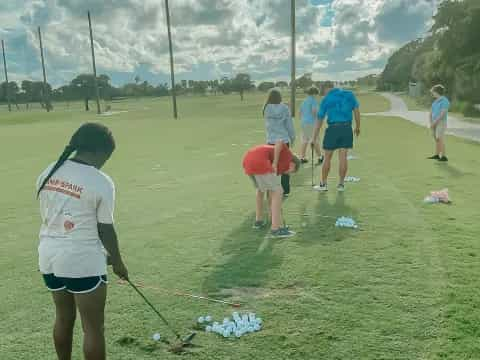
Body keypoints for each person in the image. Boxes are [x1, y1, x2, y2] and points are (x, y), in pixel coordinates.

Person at [36, 122, 129, 360]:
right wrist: (117, 261)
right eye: (107, 157)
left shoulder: (49, 170)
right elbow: (105, 229)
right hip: (82, 261)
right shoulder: (101, 181)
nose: (105, 162)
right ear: (99, 151)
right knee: (93, 328)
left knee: (64, 318)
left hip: (49, 257)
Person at [242, 141, 300, 238]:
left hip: (248, 161)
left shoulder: (281, 163)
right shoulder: (287, 155)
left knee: (261, 190)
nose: (288, 172)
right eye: (291, 171)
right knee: (278, 192)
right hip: (260, 161)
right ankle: (276, 230)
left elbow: (270, 194)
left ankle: (259, 221)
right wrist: (275, 162)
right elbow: (280, 142)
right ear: (292, 164)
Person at [311, 82, 361, 192]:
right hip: (347, 128)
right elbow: (356, 111)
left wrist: (314, 137)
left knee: (327, 157)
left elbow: (319, 119)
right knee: (343, 157)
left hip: (333, 129)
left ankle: (323, 184)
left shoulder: (326, 99)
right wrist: (357, 127)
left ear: (325, 89)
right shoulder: (349, 94)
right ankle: (341, 185)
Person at [263, 88, 296, 197]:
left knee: (272, 166)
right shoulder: (285, 108)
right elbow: (289, 125)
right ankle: (285, 190)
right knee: (285, 166)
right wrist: (292, 138)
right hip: (283, 140)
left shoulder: (266, 108)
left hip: (271, 141)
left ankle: (271, 188)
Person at [299, 86, 323, 164]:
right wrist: (318, 117)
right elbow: (314, 112)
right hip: (311, 123)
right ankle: (320, 157)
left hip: (303, 123)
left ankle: (302, 157)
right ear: (314, 93)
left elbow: (300, 113)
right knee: (315, 140)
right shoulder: (313, 101)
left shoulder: (304, 101)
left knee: (304, 140)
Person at [428, 84, 450, 162]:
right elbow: (430, 113)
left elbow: (442, 114)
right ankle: (437, 155)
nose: (432, 93)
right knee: (436, 139)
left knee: (439, 138)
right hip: (434, 123)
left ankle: (444, 156)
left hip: (441, 122)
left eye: (433, 92)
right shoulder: (435, 102)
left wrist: (434, 123)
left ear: (437, 92)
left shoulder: (445, 101)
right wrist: (431, 123)